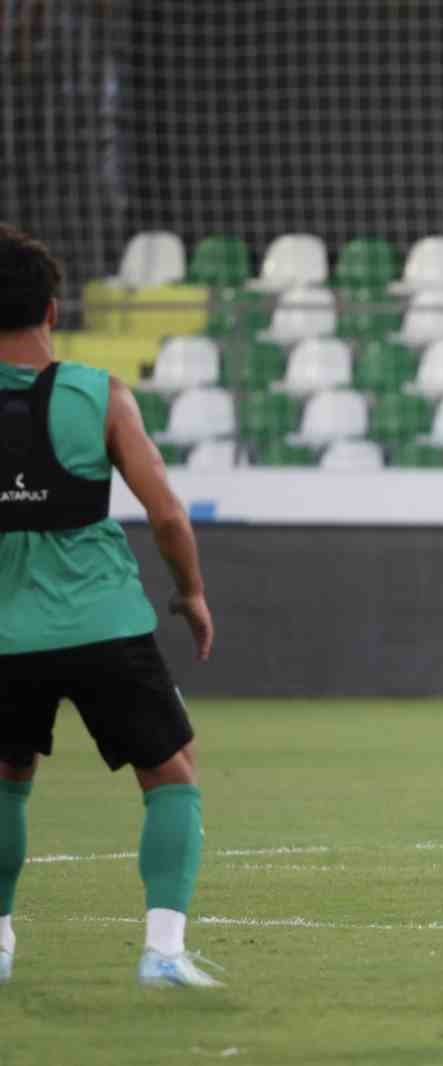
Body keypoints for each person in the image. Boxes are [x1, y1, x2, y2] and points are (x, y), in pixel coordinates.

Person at [0, 224, 218, 987]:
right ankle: (162, 951)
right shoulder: (100, 394)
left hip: (3, 631)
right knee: (171, 775)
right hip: (102, 622)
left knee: (5, 777)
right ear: (52, 313)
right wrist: (188, 592)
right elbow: (165, 514)